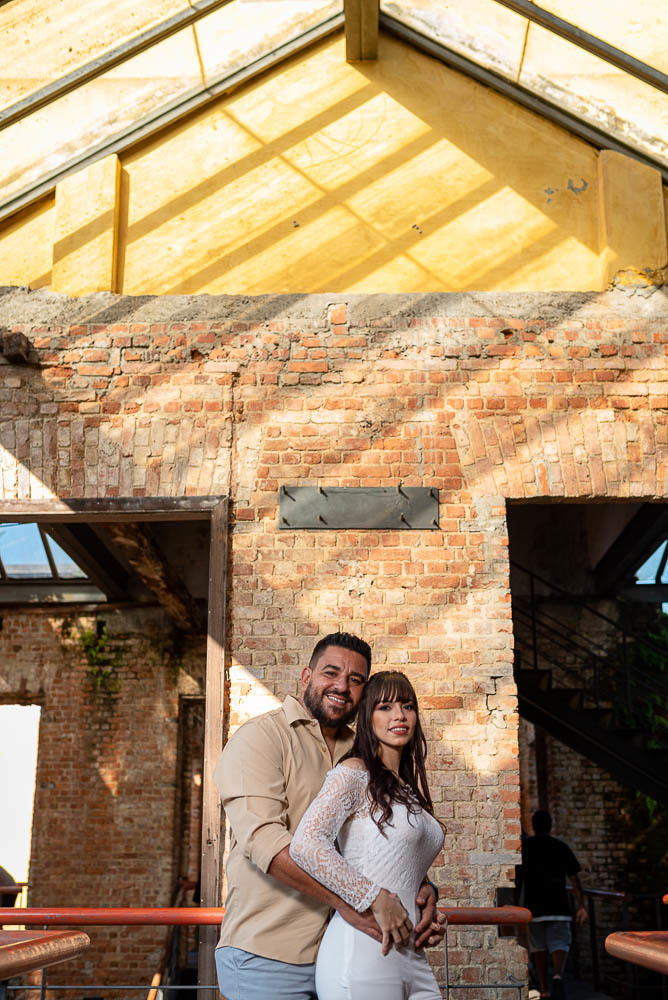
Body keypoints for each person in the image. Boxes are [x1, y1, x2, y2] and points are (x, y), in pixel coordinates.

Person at [213, 633, 444, 1000]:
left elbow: (374, 842)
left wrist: (422, 889)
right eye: (331, 673)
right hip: (269, 952)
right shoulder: (261, 737)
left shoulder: (363, 751)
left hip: (341, 946)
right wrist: (357, 901)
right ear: (306, 676)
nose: (342, 686)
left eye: (355, 680)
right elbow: (267, 844)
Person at [290, 670, 445, 1000]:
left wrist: (427, 900)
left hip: (412, 955)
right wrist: (373, 897)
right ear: (366, 717)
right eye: (385, 707)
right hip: (363, 950)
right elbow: (306, 844)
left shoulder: (406, 788)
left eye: (407, 706)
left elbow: (397, 862)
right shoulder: (354, 773)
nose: (399, 715)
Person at [521, 809, 588, 1000]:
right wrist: (581, 904)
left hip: (534, 905)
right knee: (560, 942)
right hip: (559, 904)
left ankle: (544, 989)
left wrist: (518, 904)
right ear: (550, 826)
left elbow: (518, 879)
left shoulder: (526, 847)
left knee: (538, 947)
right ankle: (558, 976)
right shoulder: (561, 846)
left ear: (533, 826)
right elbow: (574, 878)